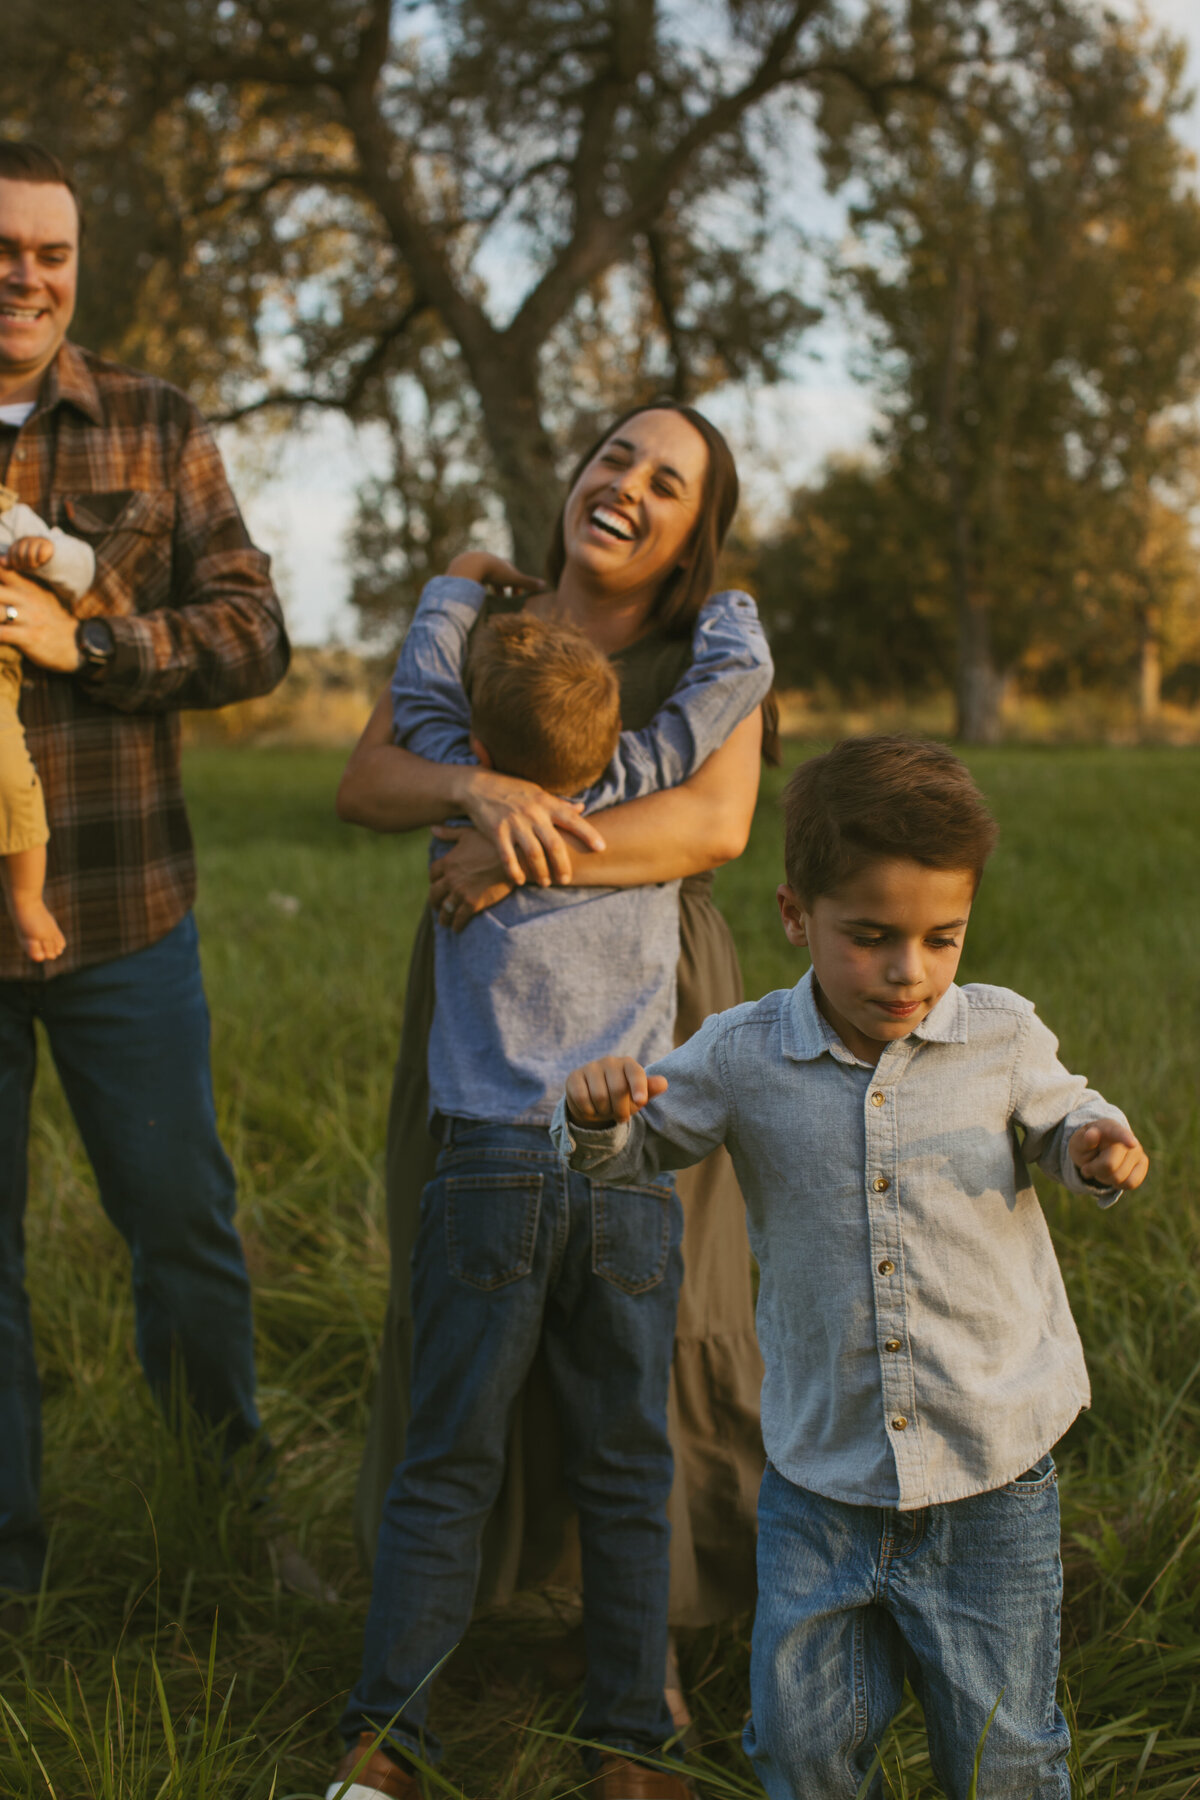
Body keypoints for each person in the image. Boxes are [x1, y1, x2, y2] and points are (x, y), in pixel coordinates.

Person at [554, 734, 1150, 1800]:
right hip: (821, 1479)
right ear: (795, 916)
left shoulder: (1000, 1035)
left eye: (940, 937)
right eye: (870, 937)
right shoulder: (743, 1054)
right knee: (800, 1745)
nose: (907, 970)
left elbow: (1069, 1114)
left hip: (989, 1476)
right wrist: (599, 1116)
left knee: (1005, 1752)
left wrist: (1096, 1147)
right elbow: (640, 1145)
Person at [336, 403, 773, 1797]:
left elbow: (712, 825)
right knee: (469, 1336)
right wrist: (473, 787)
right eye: (613, 459)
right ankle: (446, 1663)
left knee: (656, 1348)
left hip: (648, 1028)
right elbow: (369, 777)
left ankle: (633, 1679)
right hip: (488, 1044)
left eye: (667, 483)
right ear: (573, 475)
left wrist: (504, 859)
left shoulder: (694, 654)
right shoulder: (486, 638)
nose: (627, 490)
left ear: (696, 531)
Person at [0, 140, 300, 1605]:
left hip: (124, 919)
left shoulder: (151, 422)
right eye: (3, 246)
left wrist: (94, 640)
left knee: (182, 1226)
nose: (25, 274)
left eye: (50, 251)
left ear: (77, 265)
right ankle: (10, 1570)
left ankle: (224, 1528)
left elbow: (255, 634)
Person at [0, 489, 94, 959]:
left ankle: (26, 898)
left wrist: (48, 554)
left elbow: (82, 568)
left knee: (9, 775)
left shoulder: (10, 519)